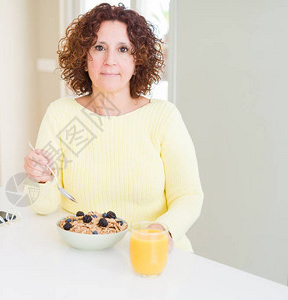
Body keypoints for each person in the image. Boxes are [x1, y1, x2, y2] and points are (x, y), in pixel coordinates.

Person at [23, 3, 203, 252]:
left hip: (151, 253)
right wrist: (40, 180)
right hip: (82, 255)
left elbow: (189, 196)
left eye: (123, 49)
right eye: (99, 47)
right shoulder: (61, 114)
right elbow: (43, 206)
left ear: (137, 60)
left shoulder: (164, 117)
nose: (110, 61)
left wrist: (163, 229)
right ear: (84, 57)